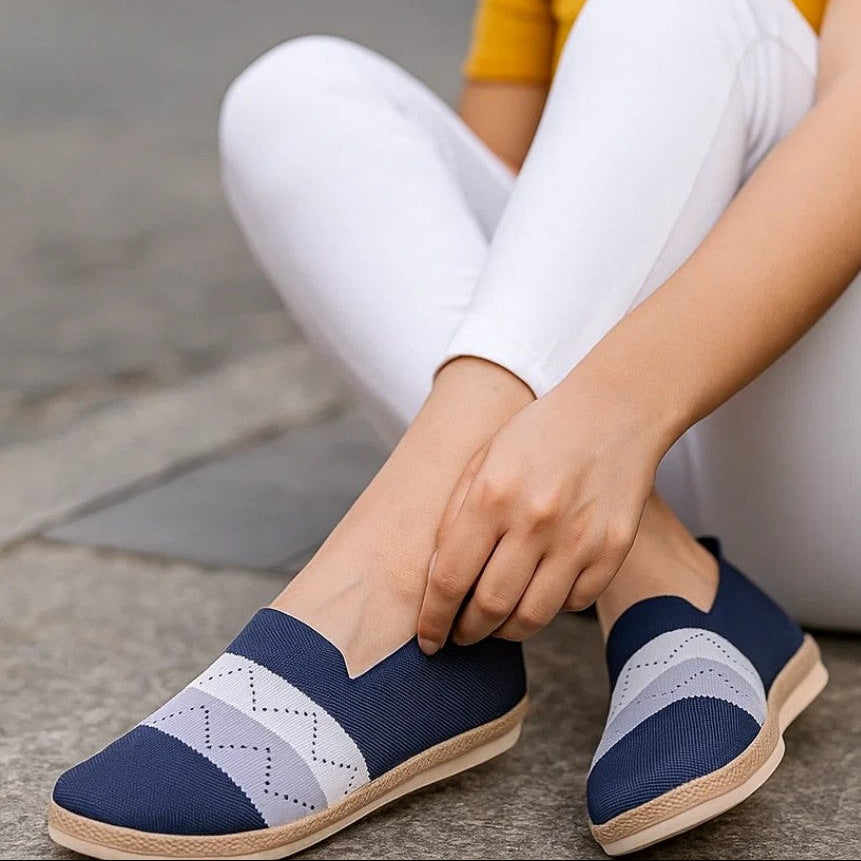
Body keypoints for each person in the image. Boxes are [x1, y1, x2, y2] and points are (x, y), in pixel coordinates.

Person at [48, 0, 861, 857]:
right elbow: (509, 267)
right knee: (292, 94)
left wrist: (610, 415)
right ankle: (663, 574)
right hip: (618, 494)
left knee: (667, 12)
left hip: (819, 461)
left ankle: (370, 599)